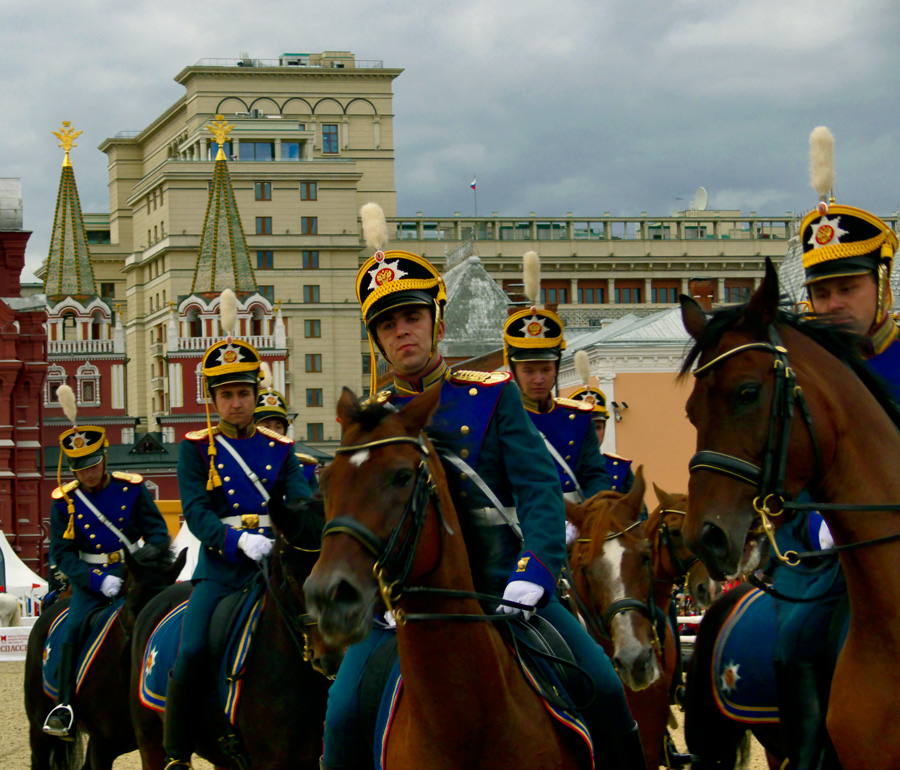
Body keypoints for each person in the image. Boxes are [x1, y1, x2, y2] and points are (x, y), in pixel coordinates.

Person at [319, 204, 645, 770]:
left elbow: (540, 490)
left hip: (507, 591)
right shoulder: (372, 422)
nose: (402, 332)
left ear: (436, 323)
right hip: (406, 608)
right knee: (343, 714)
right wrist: (373, 596)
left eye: (412, 318)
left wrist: (538, 571)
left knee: (606, 691)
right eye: (388, 324)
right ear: (377, 339)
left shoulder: (493, 395)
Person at [773, 127, 900, 770]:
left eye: (846, 287)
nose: (832, 304)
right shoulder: (812, 377)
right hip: (842, 556)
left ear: (881, 282)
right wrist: (816, 521)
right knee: (794, 632)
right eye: (821, 292)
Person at [163, 290, 313, 769]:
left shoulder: (281, 447)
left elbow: (300, 501)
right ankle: (177, 750)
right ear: (214, 400)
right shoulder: (195, 448)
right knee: (190, 652)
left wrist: (291, 537)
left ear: (255, 394)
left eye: (243, 393)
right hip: (222, 569)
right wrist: (237, 540)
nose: (236, 403)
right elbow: (196, 512)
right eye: (226, 395)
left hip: (277, 563)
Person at [43, 385, 170, 738]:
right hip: (90, 581)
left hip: (134, 574)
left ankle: (171, 695)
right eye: (80, 468)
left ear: (104, 458)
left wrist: (139, 564)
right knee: (72, 630)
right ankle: (65, 705)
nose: (88, 473)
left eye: (93, 464)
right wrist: (98, 580)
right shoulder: (64, 502)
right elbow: (62, 554)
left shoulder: (132, 489)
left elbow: (158, 534)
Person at [501, 253, 612, 504]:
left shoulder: (580, 417)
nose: (539, 379)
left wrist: (600, 511)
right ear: (514, 371)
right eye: (529, 371)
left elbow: (594, 475)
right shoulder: (500, 417)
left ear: (556, 367)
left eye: (546, 370)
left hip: (576, 522)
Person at [253, 368, 320, 492]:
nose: (273, 432)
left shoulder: (304, 468)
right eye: (266, 427)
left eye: (278, 427)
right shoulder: (243, 462)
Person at [568, 385, 637, 496]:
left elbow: (638, 511)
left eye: (598, 427)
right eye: (587, 427)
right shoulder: (557, 466)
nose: (593, 435)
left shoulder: (619, 469)